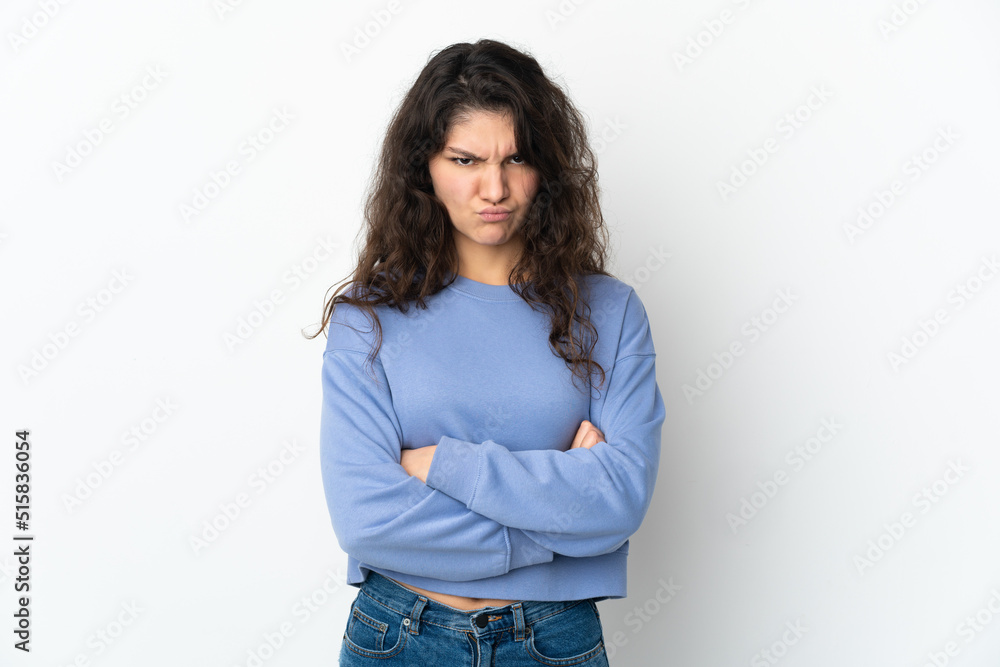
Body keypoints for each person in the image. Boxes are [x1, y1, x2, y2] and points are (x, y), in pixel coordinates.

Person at [309, 38, 665, 666]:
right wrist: (556, 532)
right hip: (398, 637)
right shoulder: (369, 318)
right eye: (466, 160)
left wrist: (443, 466)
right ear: (425, 167)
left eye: (516, 158)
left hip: (553, 640)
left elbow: (618, 501)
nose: (494, 188)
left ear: (546, 167)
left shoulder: (610, 313)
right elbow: (366, 520)